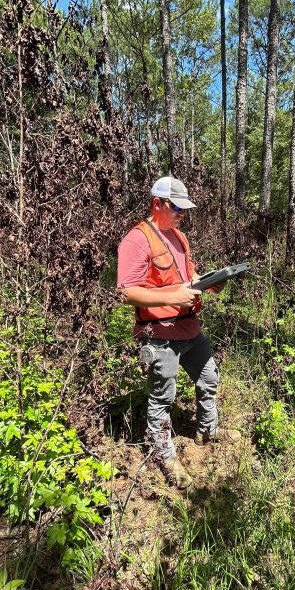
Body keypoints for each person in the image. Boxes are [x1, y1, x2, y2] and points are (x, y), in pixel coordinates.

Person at [116, 176, 241, 488]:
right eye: (176, 207)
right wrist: (172, 297)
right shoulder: (136, 240)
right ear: (157, 204)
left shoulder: (179, 237)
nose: (181, 213)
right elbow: (126, 292)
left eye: (185, 209)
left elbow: (188, 275)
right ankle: (166, 457)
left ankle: (206, 430)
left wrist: (207, 283)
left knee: (209, 377)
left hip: (190, 327)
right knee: (163, 396)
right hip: (159, 333)